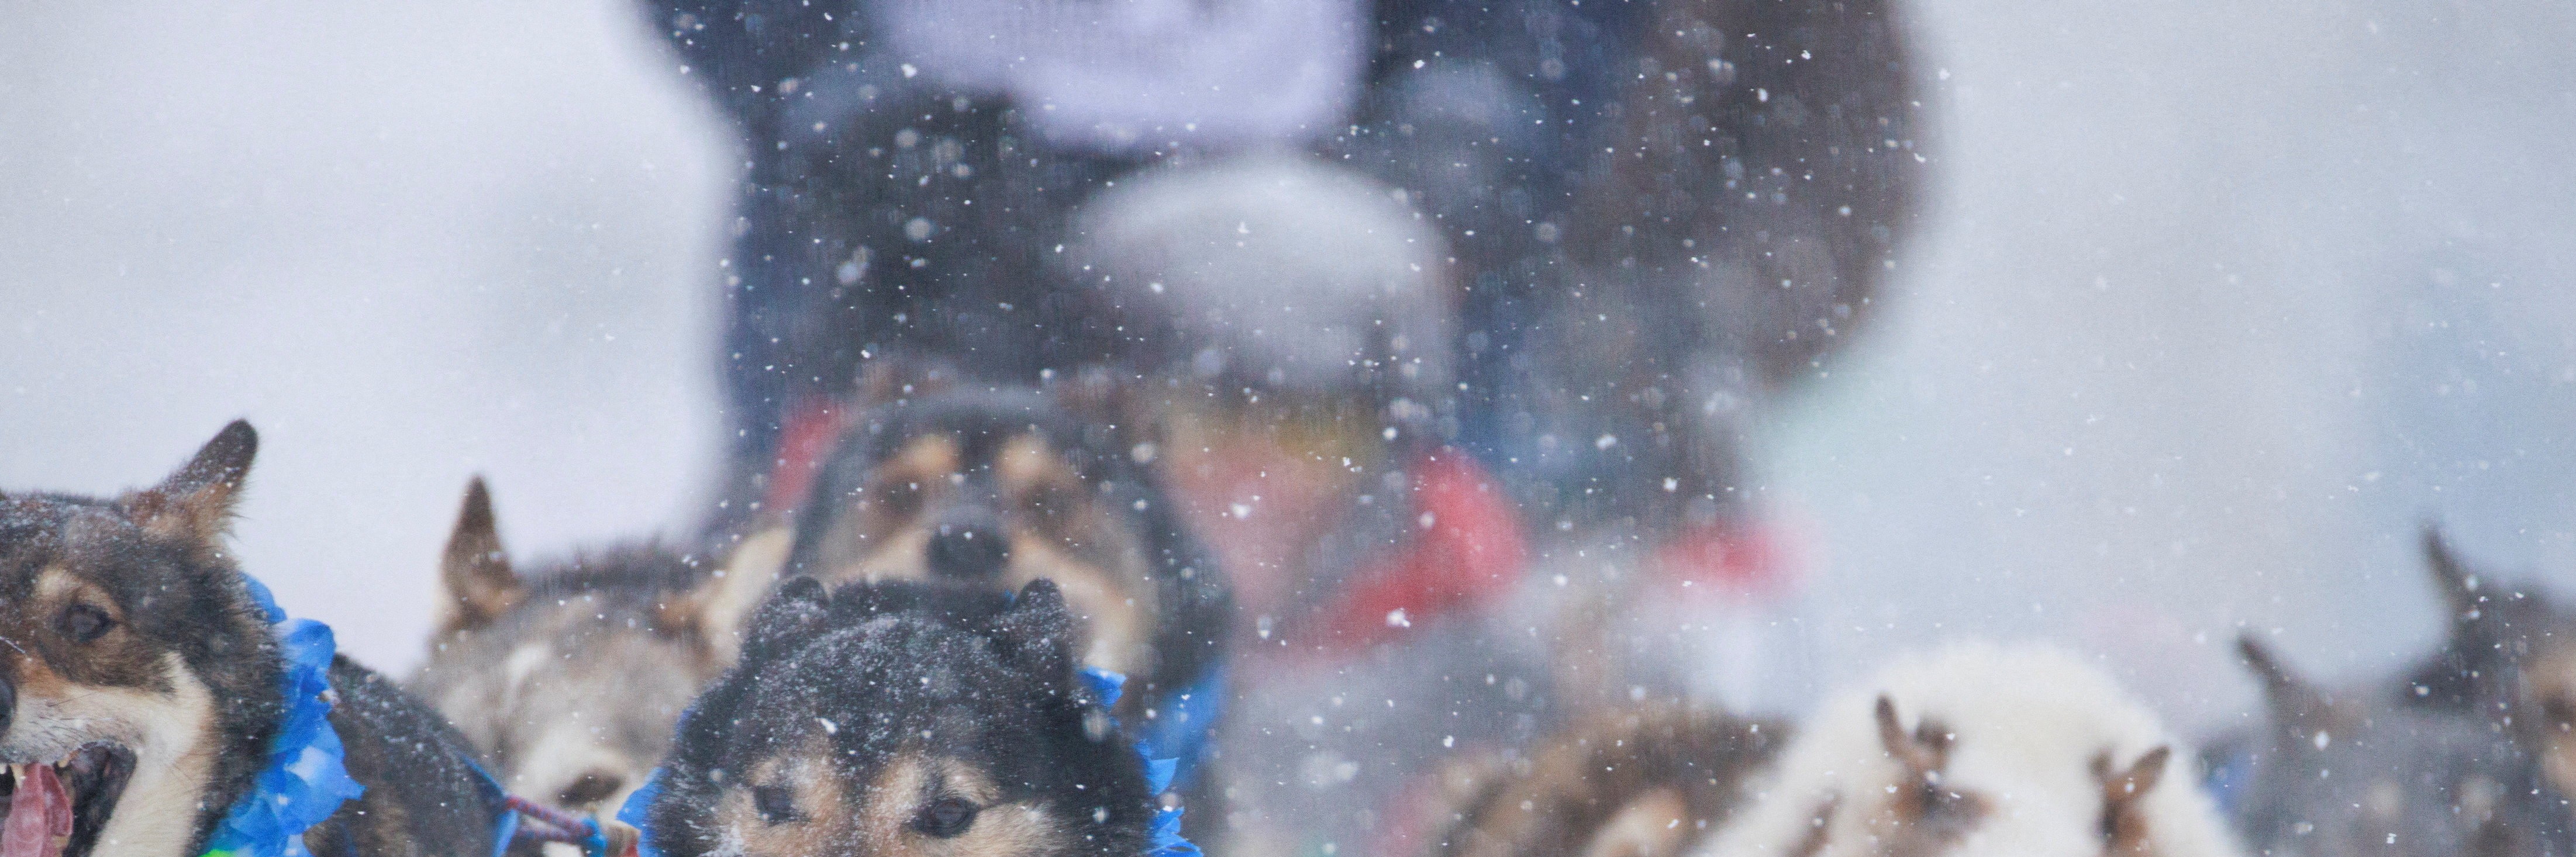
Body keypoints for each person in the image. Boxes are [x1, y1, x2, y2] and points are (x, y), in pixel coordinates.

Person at [646, 0, 1925, 546]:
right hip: (911, 264)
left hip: (1361, 277)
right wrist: (862, 112)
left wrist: (1463, 139)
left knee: (1402, 768)